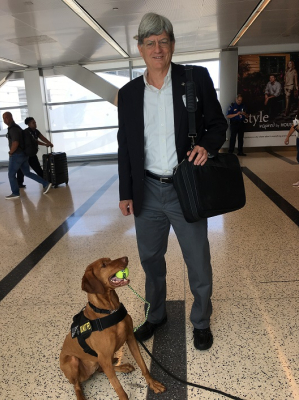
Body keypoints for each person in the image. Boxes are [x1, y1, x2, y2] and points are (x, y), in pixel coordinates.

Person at [117, 13, 227, 351]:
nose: (157, 48)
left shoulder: (195, 79)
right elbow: (125, 145)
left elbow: (218, 125)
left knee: (198, 260)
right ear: (139, 48)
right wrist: (125, 192)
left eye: (163, 41)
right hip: (147, 191)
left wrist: (206, 147)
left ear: (173, 44)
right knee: (151, 261)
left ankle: (201, 321)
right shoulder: (130, 93)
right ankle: (155, 315)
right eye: (150, 42)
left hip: (185, 188)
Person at [3, 112, 52, 199]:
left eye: (6, 118)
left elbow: (15, 142)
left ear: (11, 117)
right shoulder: (18, 128)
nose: (5, 120)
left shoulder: (13, 129)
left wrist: (11, 152)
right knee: (27, 173)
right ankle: (46, 183)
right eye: (3, 118)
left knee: (11, 174)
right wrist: (46, 143)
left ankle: (15, 193)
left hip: (17, 155)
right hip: (24, 154)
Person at [284, 116, 299, 186]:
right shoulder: (297, 115)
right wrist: (288, 136)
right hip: (298, 139)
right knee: (298, 158)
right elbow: (294, 126)